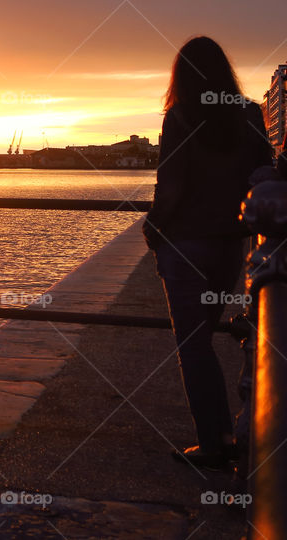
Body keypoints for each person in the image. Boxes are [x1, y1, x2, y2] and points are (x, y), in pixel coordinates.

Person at [143, 36, 273, 471]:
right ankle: (228, 437)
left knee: (193, 346)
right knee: (208, 339)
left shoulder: (179, 117)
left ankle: (213, 444)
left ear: (180, 76)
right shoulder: (250, 115)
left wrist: (154, 226)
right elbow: (262, 176)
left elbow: (172, 184)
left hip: (184, 246)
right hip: (229, 247)